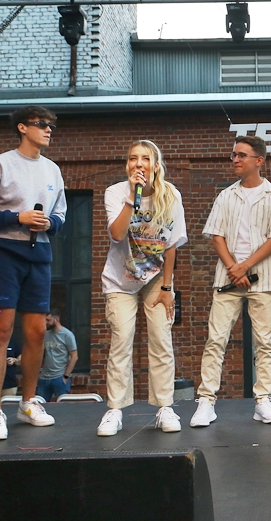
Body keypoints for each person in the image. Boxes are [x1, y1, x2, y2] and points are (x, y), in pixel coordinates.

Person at [0, 106, 67, 440]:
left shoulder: (53, 169)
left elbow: (61, 215)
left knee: (37, 332)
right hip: (3, 254)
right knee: (1, 331)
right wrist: (18, 218)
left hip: (39, 254)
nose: (48, 130)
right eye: (41, 124)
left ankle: (28, 402)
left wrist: (49, 223)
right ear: (22, 128)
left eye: (51, 125)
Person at [190, 136, 271, 428]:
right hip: (227, 278)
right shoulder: (225, 196)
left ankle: (263, 401)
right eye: (234, 154)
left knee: (265, 343)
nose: (235, 159)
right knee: (216, 339)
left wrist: (244, 266)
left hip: (264, 279)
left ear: (259, 161)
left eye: (242, 155)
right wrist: (234, 268)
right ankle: (206, 401)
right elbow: (217, 235)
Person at [96, 140, 188, 437]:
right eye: (132, 158)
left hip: (156, 278)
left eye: (145, 158)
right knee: (121, 339)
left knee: (161, 338)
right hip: (120, 279)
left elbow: (171, 245)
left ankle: (165, 407)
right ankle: (115, 409)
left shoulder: (171, 194)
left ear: (156, 166)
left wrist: (167, 288)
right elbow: (117, 233)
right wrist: (130, 200)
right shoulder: (115, 192)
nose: (138, 163)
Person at [36, 309, 78, 402]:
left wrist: (66, 376)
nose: (46, 323)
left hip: (59, 377)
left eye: (48, 320)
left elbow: (74, 356)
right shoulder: (45, 334)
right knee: (40, 405)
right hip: (44, 377)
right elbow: (40, 353)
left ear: (56, 319)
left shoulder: (67, 335)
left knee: (63, 406)